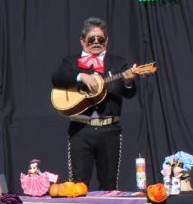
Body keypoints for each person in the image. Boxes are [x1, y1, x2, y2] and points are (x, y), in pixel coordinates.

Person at [51, 17, 137, 190]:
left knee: (109, 184)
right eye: (91, 39)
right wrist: (81, 76)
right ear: (82, 41)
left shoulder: (118, 62)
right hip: (81, 130)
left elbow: (129, 94)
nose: (96, 42)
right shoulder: (71, 62)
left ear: (107, 41)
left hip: (109, 130)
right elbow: (57, 78)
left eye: (100, 39)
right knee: (78, 185)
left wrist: (128, 82)